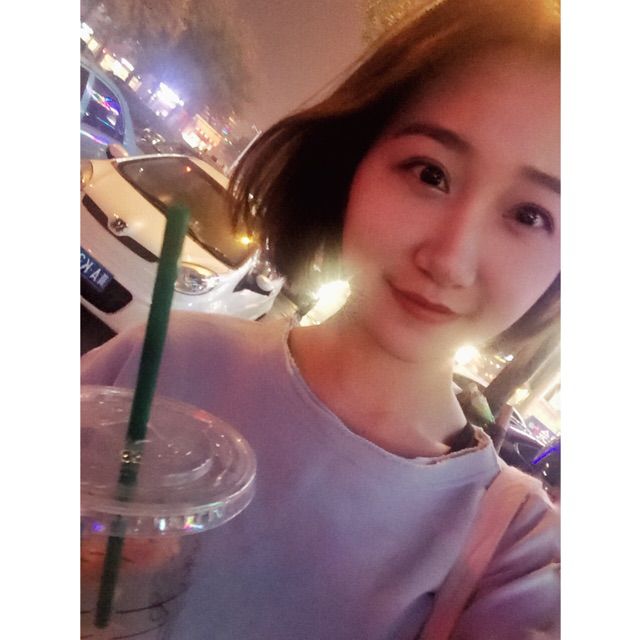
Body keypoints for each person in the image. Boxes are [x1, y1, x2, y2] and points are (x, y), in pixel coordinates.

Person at [81, 0, 561, 637]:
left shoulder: (517, 554)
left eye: (529, 215)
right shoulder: (167, 356)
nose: (450, 259)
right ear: (354, 161)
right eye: (430, 173)